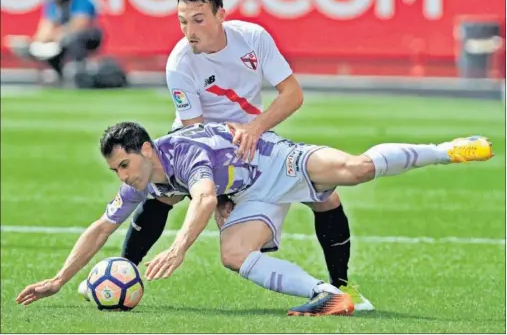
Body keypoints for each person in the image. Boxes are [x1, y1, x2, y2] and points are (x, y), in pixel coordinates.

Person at [17, 121, 493, 316]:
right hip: (250, 195)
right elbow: (102, 227)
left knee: (356, 169)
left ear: (145, 151)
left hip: (276, 161)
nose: (123, 177)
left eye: (124, 165)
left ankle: (446, 151)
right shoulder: (145, 179)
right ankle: (329, 296)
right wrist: (59, 279)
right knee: (233, 254)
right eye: (115, 171)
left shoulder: (183, 153)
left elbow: (203, 198)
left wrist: (178, 248)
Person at [112, 0, 371, 309]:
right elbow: (196, 137)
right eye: (183, 21)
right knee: (162, 193)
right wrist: (220, 199)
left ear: (221, 15)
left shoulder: (252, 38)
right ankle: (123, 272)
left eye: (198, 19)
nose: (189, 30)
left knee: (326, 197)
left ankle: (343, 290)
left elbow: (292, 94)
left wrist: (255, 128)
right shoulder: (180, 61)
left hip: (251, 139)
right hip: (196, 143)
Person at [5, 0, 102, 83]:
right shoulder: (53, 3)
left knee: (71, 40)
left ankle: (77, 68)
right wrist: (30, 43)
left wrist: (57, 36)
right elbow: (45, 30)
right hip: (60, 38)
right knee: (38, 46)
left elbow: (78, 25)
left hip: (86, 38)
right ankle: (57, 72)